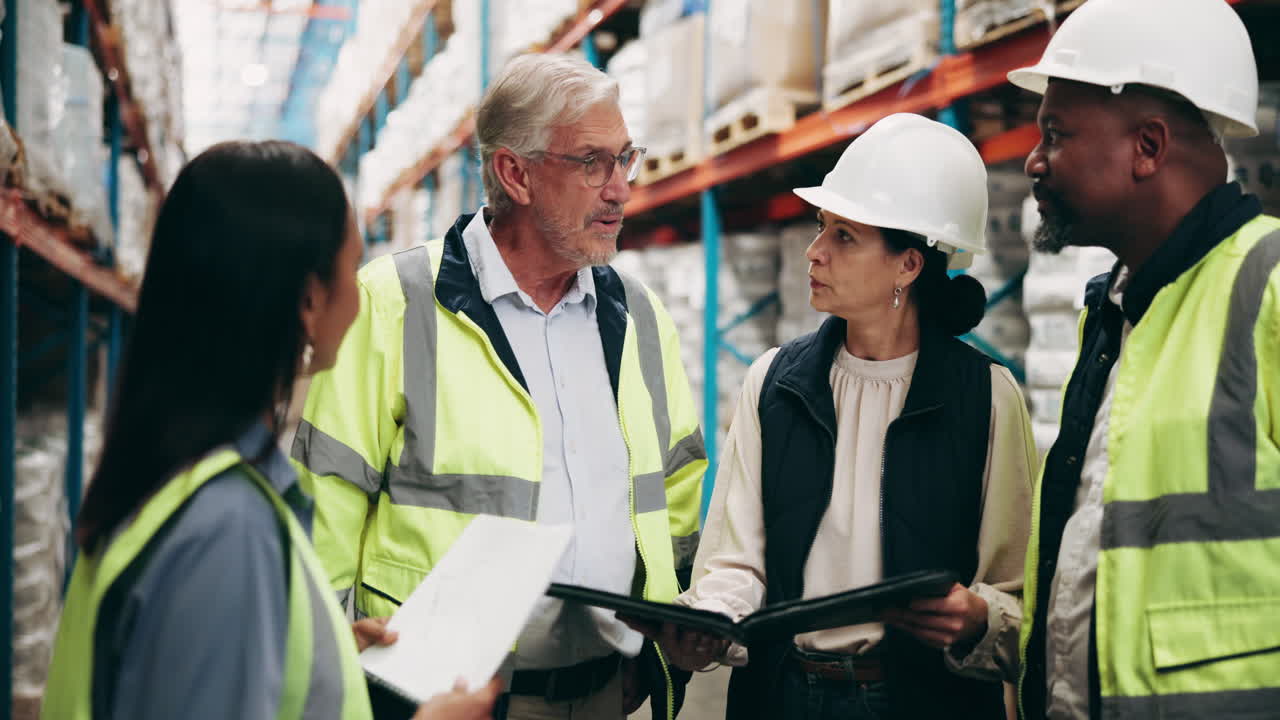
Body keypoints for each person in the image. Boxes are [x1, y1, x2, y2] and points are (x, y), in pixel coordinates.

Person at [291, 53, 706, 720]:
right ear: (516, 173)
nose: (621, 189)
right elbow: (323, 510)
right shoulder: (395, 304)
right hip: (441, 700)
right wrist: (339, 686)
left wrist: (659, 641)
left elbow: (676, 491)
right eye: (593, 163)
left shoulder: (638, 317)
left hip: (606, 692)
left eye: (626, 159)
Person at [39, 141, 501, 719]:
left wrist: (317, 655)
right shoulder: (226, 529)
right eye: (352, 269)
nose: (361, 298)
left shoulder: (169, 470)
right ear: (310, 299)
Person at [633, 113, 1037, 720]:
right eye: (822, 228)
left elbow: (1016, 597)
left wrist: (979, 617)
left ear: (908, 265)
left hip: (923, 702)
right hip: (784, 693)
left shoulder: (985, 396)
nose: (814, 252)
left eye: (845, 236)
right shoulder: (775, 382)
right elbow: (736, 560)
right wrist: (709, 616)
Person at [1005, 0, 1280, 717]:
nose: (1033, 161)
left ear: (1148, 147)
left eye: (1055, 135)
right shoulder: (1119, 314)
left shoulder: (1269, 290)